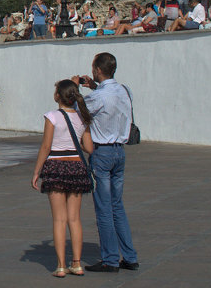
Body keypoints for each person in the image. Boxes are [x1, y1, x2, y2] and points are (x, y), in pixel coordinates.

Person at [72, 52, 139, 273]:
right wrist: (93, 86)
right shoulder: (124, 90)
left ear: (98, 70)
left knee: (103, 208)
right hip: (120, 151)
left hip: (102, 153)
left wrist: (76, 90)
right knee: (117, 206)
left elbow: (79, 110)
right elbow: (106, 100)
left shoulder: (99, 97)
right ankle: (129, 256)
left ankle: (110, 258)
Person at [30, 79, 95, 277]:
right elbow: (90, 148)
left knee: (59, 219)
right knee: (74, 219)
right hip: (76, 166)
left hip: (56, 166)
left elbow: (46, 146)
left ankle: (60, 266)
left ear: (58, 96)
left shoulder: (52, 117)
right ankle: (77, 263)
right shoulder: (82, 118)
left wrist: (36, 172)